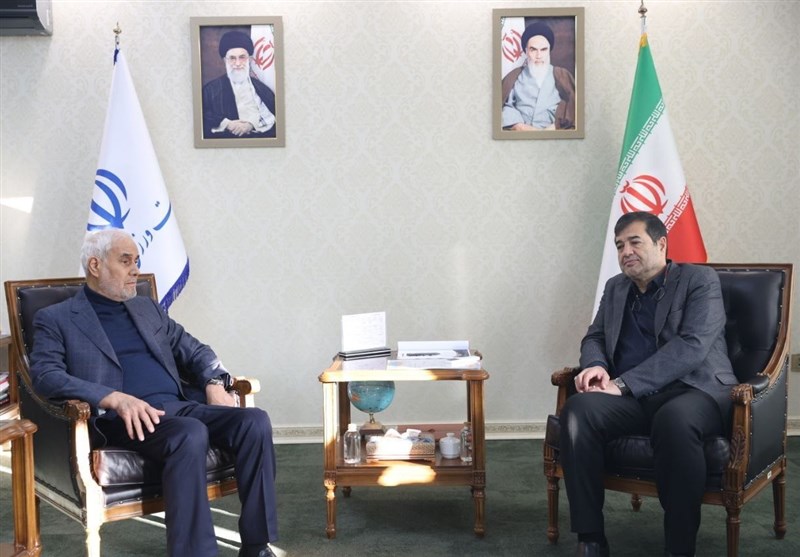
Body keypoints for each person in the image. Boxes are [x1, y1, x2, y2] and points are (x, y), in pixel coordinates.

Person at [29, 228, 278, 557]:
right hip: (121, 420)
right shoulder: (56, 318)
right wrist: (112, 397)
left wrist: (215, 382)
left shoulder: (147, 309)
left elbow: (197, 351)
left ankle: (257, 546)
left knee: (254, 421)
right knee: (189, 433)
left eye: (137, 261)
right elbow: (46, 376)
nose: (136, 270)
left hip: (178, 406)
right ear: (95, 265)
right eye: (125, 261)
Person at [560, 211, 737, 557]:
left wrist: (624, 384)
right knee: (578, 409)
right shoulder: (615, 287)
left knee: (674, 419)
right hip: (634, 397)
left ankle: (679, 548)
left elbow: (692, 346)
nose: (625, 251)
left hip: (693, 391)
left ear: (661, 244)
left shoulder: (700, 280)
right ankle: (590, 539)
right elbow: (595, 336)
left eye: (634, 242)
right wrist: (596, 365)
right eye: (619, 245)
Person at [202, 30, 277, 139]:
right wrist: (227, 124)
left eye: (242, 57)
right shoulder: (210, 90)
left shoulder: (262, 89)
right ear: (225, 60)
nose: (237, 63)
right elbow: (202, 116)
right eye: (232, 58)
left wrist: (251, 125)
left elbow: (273, 116)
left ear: (249, 59)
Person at [501, 21, 576, 130]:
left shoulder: (562, 75)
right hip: (521, 136)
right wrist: (519, 126)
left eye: (543, 49)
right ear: (526, 51)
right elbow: (504, 106)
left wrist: (555, 127)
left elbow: (574, 106)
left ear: (549, 51)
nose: (539, 55)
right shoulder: (514, 76)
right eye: (533, 49)